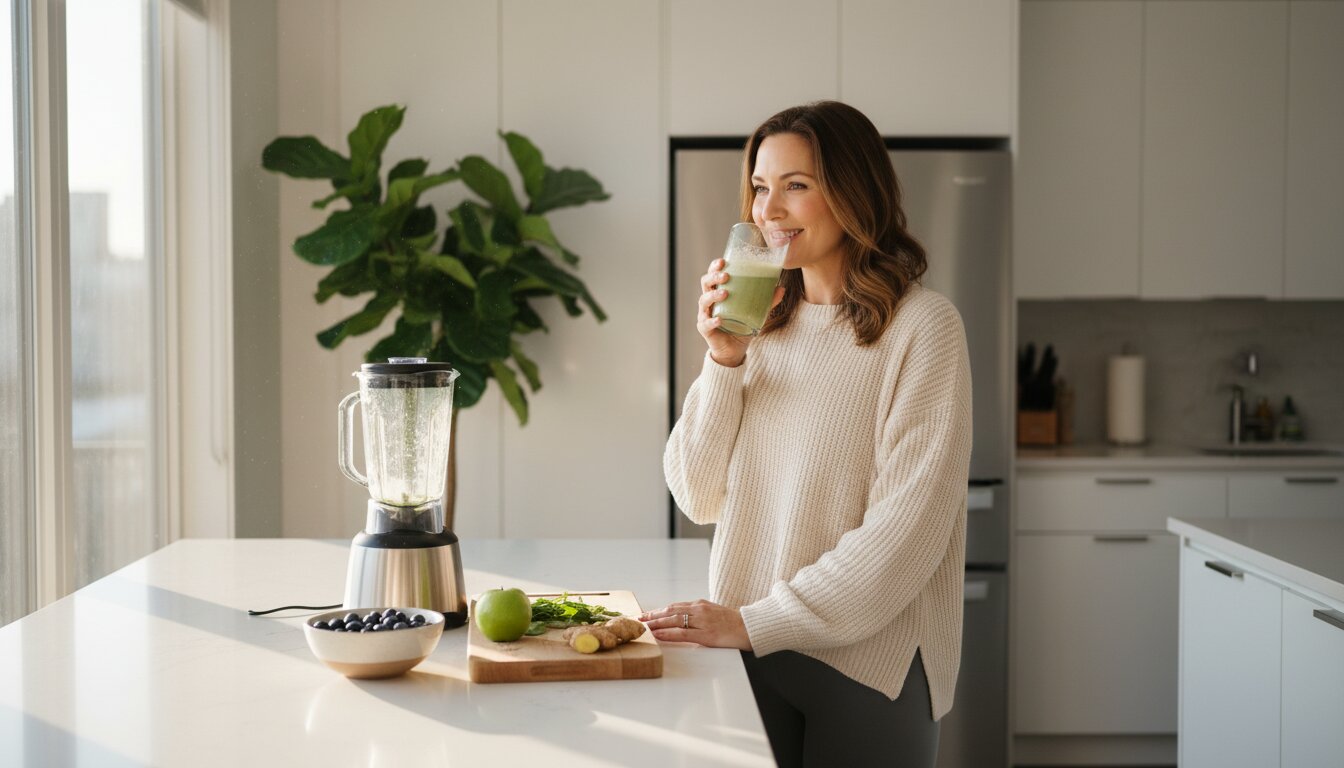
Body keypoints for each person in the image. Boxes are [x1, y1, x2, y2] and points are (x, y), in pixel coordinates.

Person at [640, 101, 973, 767]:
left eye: (797, 186)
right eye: (761, 188)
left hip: (865, 666)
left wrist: (751, 622)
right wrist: (724, 357)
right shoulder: (760, 324)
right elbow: (697, 495)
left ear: (853, 193)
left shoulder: (923, 328)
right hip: (752, 657)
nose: (770, 209)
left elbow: (903, 537)